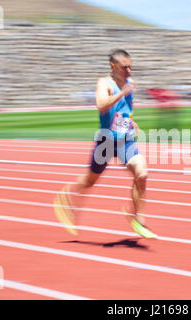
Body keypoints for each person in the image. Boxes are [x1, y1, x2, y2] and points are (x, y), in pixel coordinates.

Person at [54, 49, 156, 239]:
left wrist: (131, 120)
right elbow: (101, 105)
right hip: (106, 142)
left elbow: (125, 109)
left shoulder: (128, 83)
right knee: (90, 181)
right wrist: (122, 93)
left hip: (126, 140)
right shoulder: (104, 83)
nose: (129, 71)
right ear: (113, 66)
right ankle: (68, 196)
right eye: (125, 67)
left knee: (142, 174)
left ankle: (137, 220)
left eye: (130, 66)